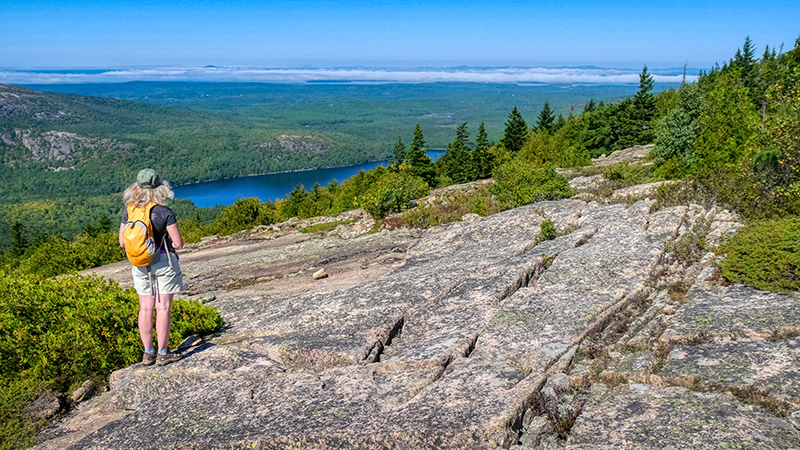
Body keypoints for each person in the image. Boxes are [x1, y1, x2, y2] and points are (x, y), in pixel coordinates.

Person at [119, 169, 185, 367]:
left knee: (145, 307)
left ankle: (148, 353)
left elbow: (122, 242)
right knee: (163, 307)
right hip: (163, 262)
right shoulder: (164, 212)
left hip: (139, 264)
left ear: (136, 188)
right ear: (160, 188)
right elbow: (178, 243)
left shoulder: (129, 210)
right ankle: (163, 354)